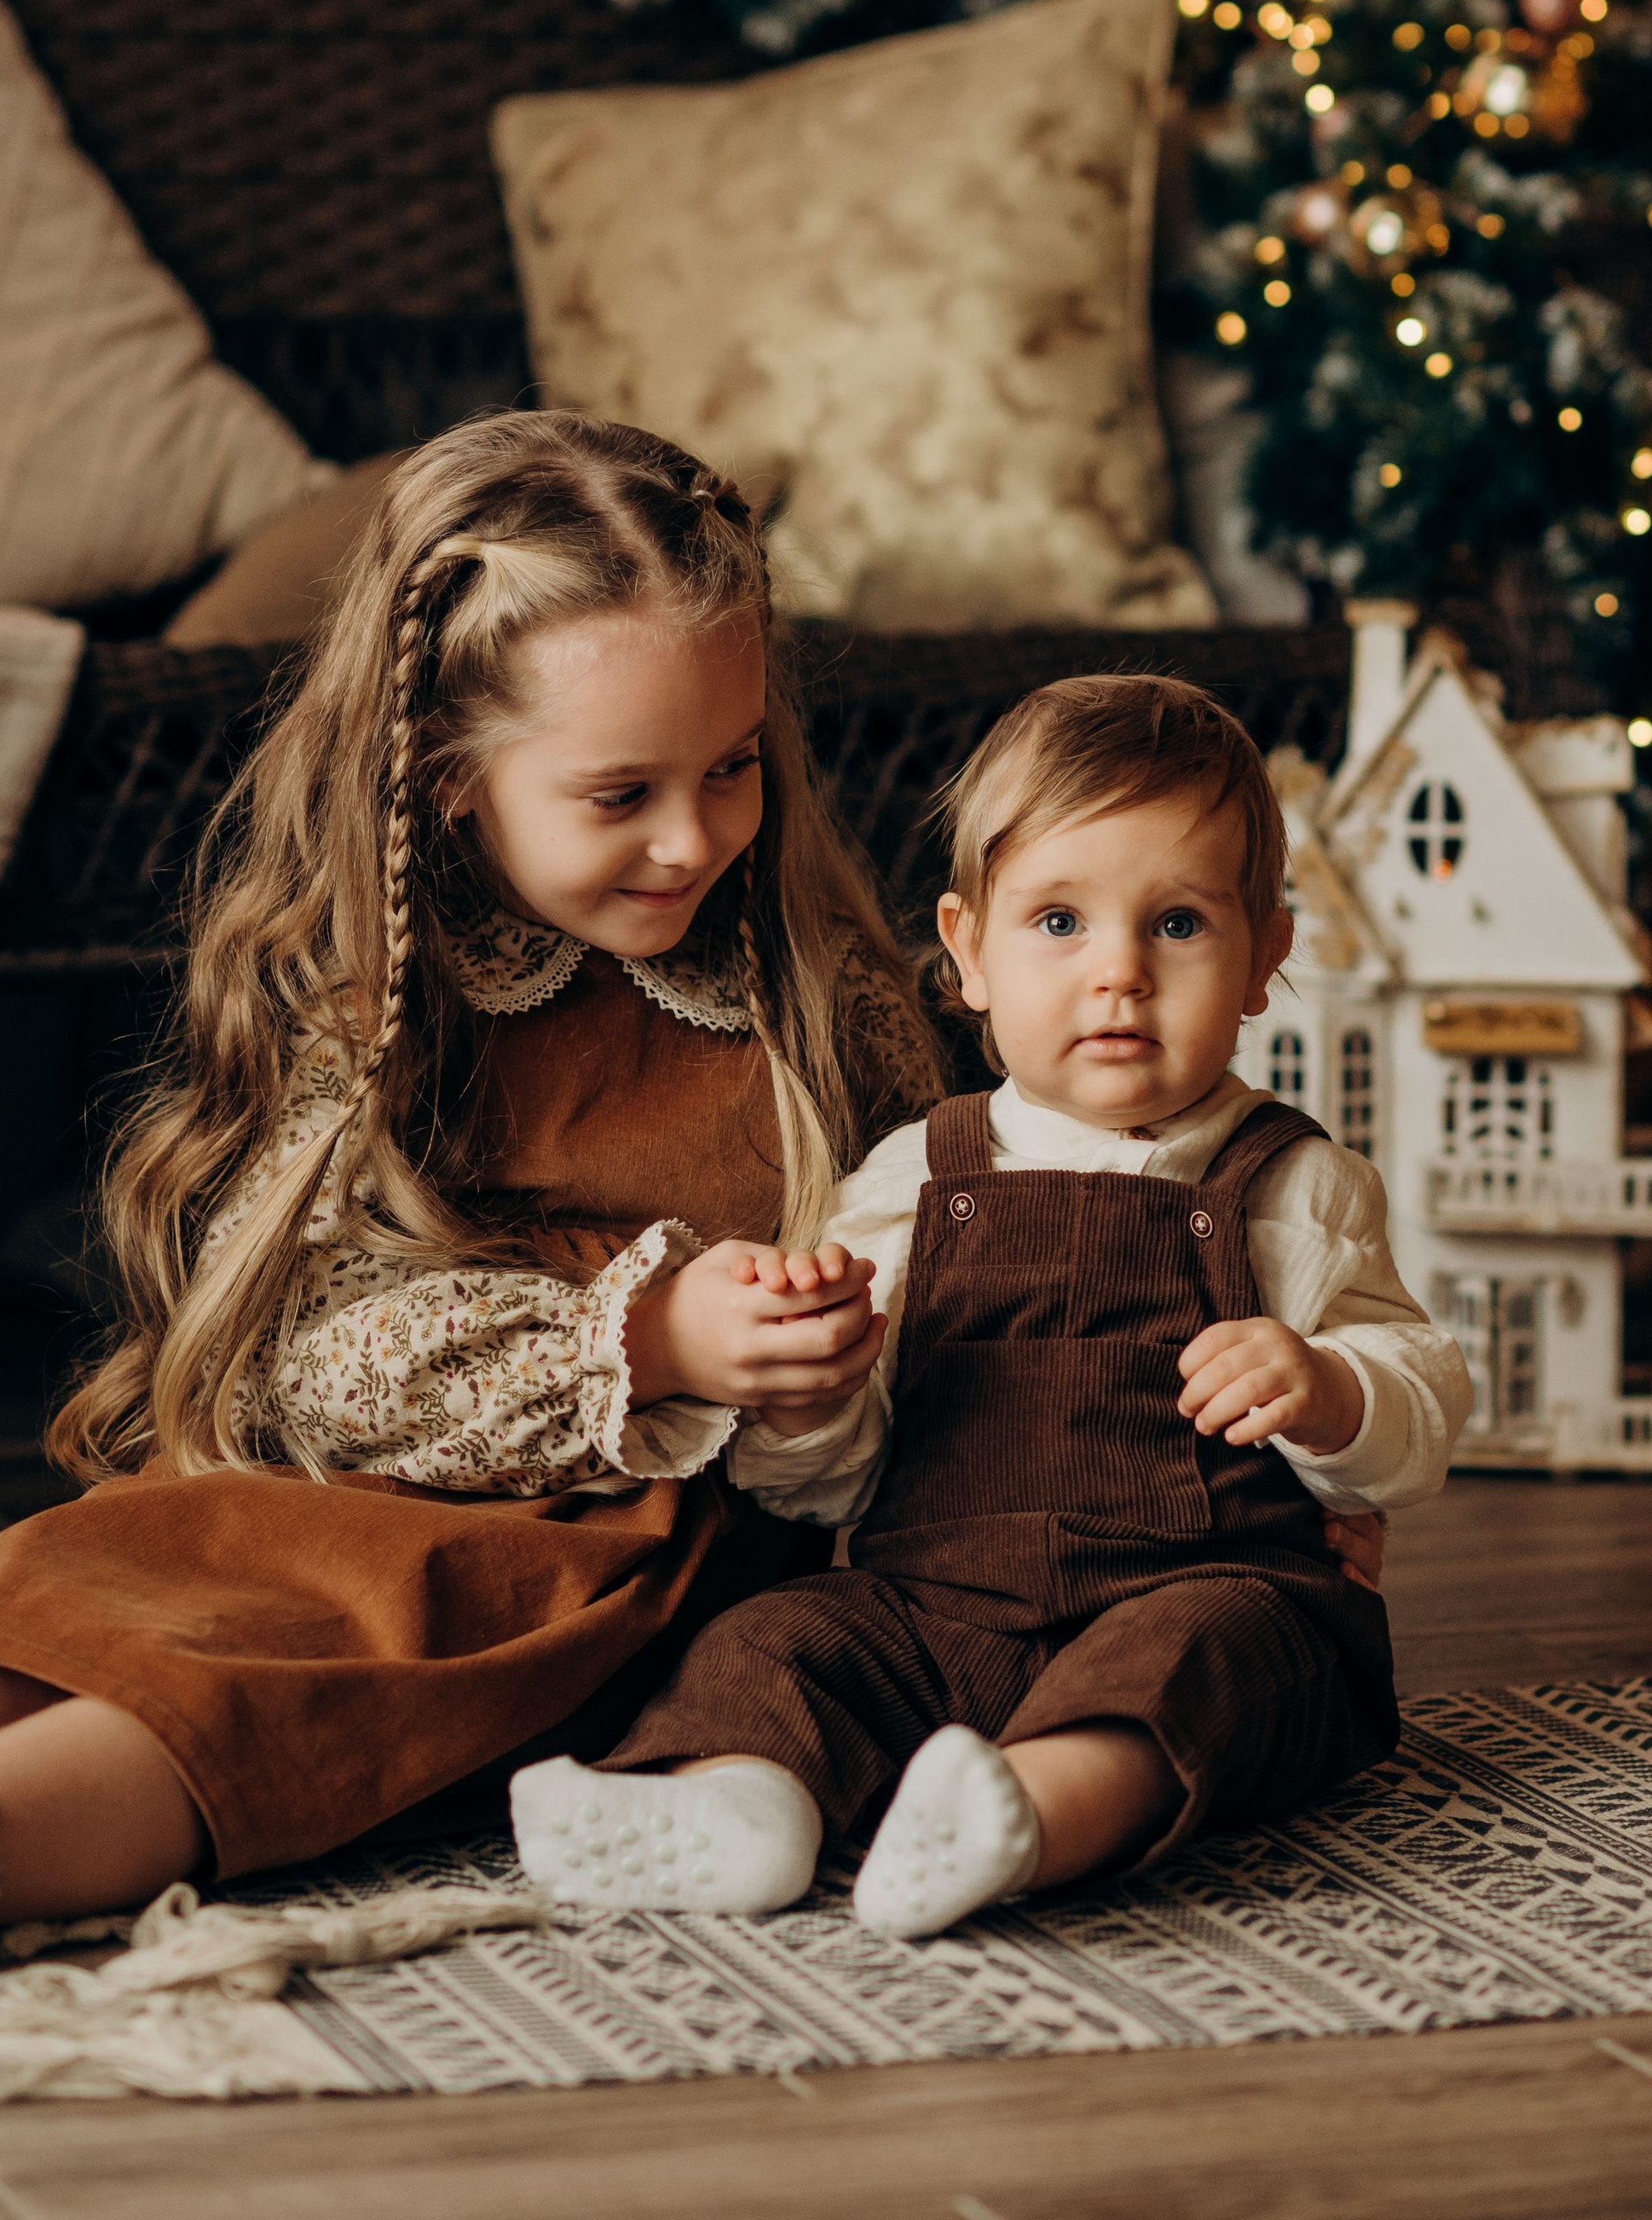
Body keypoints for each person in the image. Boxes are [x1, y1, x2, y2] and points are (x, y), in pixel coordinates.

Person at [0, 413, 944, 1993]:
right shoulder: (395, 1004)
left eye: (732, 766)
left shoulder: (821, 1000)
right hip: (342, 1469)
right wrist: (644, 1335)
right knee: (68, 1598)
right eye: (620, 794)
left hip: (596, 1556)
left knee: (251, 1705)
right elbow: (289, 1355)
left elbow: (961, 1241)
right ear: (457, 784)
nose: (695, 837)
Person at [512, 673, 1471, 1940]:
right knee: (784, 1639)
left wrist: (1334, 1388)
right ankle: (738, 1805)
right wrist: (822, 1386)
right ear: (967, 950)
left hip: (1199, 1584)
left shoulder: (1291, 1186)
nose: (1118, 975)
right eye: (1060, 922)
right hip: (941, 1608)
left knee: (1214, 1664)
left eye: (1178, 926)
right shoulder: (912, 1181)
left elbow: (1423, 1396)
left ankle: (1028, 1811)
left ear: (1264, 956)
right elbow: (825, 1488)